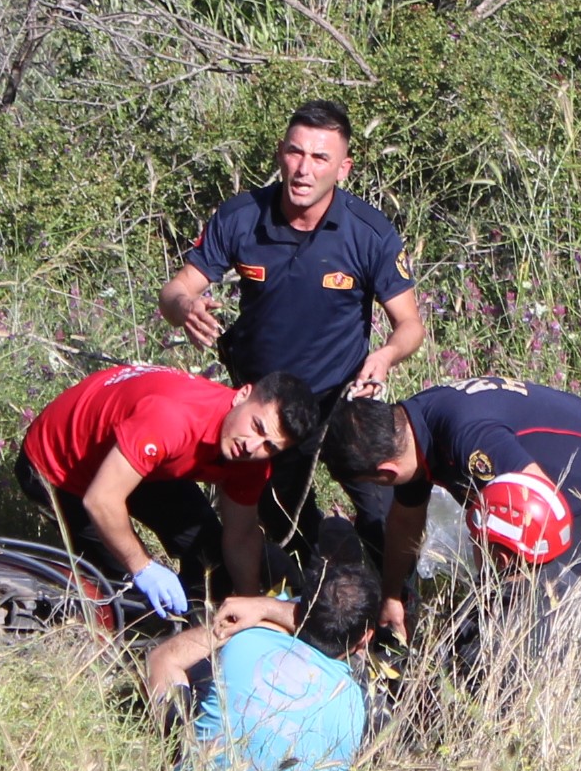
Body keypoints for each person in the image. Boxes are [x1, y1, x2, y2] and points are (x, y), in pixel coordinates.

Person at [159, 101, 426, 571]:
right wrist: (185, 308)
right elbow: (177, 289)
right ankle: (302, 601)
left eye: (320, 158)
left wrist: (385, 356)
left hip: (342, 397)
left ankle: (394, 615)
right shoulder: (241, 217)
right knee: (280, 520)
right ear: (281, 154)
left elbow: (411, 326)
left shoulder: (369, 233)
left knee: (379, 512)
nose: (304, 169)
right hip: (267, 404)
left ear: (343, 168)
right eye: (295, 153)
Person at [319, 373, 581, 643]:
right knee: (501, 605)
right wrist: (393, 594)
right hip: (570, 492)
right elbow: (405, 518)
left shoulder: (467, 436)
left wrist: (501, 597)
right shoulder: (411, 428)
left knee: (533, 603)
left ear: (386, 473)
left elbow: (539, 514)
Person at [18, 362, 323, 620]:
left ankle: (197, 616)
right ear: (242, 395)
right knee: (124, 590)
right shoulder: (174, 418)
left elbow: (240, 536)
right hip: (60, 465)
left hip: (147, 461)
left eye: (270, 445)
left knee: (210, 554)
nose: (252, 446)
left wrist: (249, 605)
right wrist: (144, 568)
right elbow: (101, 500)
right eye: (256, 426)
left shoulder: (252, 457)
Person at [139, 557, 383, 771]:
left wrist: (264, 611)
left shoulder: (243, 639)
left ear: (297, 611)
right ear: (366, 638)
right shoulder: (358, 706)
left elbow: (160, 660)